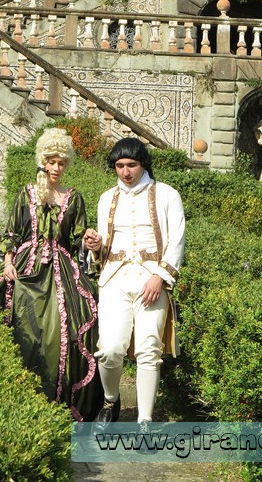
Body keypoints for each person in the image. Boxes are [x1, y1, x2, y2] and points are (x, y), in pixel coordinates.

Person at [0, 128, 102, 421]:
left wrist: (89, 239)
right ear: (42, 159)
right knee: (24, 327)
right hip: (28, 267)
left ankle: (60, 399)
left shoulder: (73, 197)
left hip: (61, 269)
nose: (56, 167)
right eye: (51, 161)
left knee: (66, 329)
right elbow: (12, 232)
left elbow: (77, 237)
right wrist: (8, 261)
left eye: (61, 162)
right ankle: (20, 397)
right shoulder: (26, 193)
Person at [84, 138, 185, 425]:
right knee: (110, 349)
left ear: (144, 164)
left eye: (131, 165)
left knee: (148, 349)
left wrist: (160, 276)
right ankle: (110, 400)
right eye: (119, 166)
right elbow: (103, 249)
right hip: (114, 278)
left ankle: (145, 419)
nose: (125, 172)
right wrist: (95, 246)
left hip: (151, 278)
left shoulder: (167, 195)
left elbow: (177, 241)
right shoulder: (107, 198)